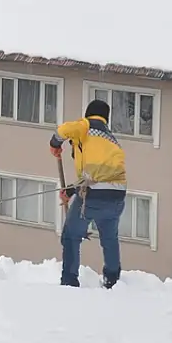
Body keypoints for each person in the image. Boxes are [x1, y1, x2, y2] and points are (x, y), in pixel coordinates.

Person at [50, 99, 127, 290]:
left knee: (71, 235)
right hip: (117, 196)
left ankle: (69, 282)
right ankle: (112, 279)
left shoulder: (86, 126)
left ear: (88, 115)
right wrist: (71, 190)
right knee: (109, 237)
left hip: (92, 196)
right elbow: (97, 175)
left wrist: (55, 143)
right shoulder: (111, 139)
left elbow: (62, 130)